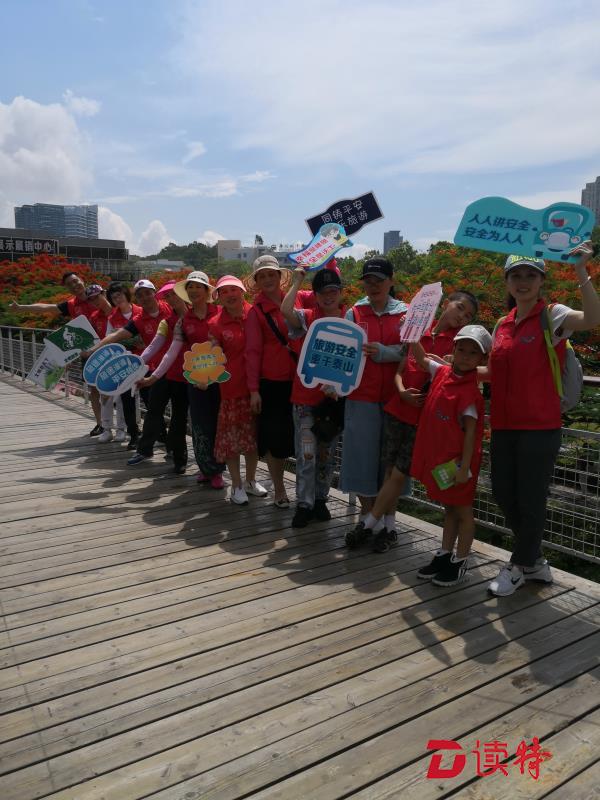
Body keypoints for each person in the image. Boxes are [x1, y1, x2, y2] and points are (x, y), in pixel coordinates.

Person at [485, 246, 600, 596]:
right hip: (504, 425)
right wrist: (450, 369)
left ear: (541, 281)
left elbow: (593, 318)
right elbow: (495, 372)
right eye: (516, 276)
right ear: (506, 281)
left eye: (530, 275)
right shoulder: (502, 324)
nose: (522, 282)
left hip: (540, 426)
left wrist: (581, 271)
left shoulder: (552, 315)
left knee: (532, 498)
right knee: (503, 493)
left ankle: (519, 565)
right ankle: (535, 561)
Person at [345, 290, 478, 551]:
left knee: (397, 473)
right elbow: (401, 370)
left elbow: (453, 381)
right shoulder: (420, 329)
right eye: (460, 308)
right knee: (389, 470)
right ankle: (388, 527)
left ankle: (369, 524)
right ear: (446, 303)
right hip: (398, 409)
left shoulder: (459, 346)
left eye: (468, 315)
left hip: (423, 420)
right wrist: (401, 390)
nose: (462, 316)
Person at [409, 325, 491, 586]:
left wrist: (463, 468)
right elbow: (422, 359)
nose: (465, 356)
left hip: (458, 464)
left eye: (473, 353)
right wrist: (412, 335)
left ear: (482, 360)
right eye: (461, 349)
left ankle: (461, 560)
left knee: (463, 511)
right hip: (443, 460)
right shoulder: (443, 371)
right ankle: (445, 553)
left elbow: (470, 435)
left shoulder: (470, 393)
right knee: (450, 508)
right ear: (453, 350)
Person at [136, 271, 227, 488]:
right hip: (195, 381)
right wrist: (153, 377)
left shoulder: (221, 314)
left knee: (218, 425)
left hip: (221, 380)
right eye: (190, 287)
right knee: (198, 425)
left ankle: (218, 471)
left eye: (198, 287)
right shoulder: (183, 321)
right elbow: (171, 352)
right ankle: (206, 469)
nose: (194, 291)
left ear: (207, 291)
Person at [339, 256, 408, 516]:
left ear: (391, 281)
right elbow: (342, 353)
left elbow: (413, 353)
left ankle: (386, 522)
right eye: (368, 281)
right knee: (362, 461)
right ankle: (368, 519)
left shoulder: (406, 312)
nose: (374, 285)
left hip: (396, 399)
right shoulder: (354, 313)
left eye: (379, 280)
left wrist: (384, 353)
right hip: (360, 397)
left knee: (391, 464)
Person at [281, 266, 346, 527]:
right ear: (315, 295)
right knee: (307, 454)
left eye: (333, 290)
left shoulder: (350, 320)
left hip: (333, 403)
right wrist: (297, 280)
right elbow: (286, 311)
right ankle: (304, 503)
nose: (328, 296)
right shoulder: (308, 316)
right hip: (305, 401)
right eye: (323, 292)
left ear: (340, 293)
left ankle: (321, 499)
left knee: (327, 454)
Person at [84, 278, 173, 449]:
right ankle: (141, 436)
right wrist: (93, 350)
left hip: (173, 366)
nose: (145, 297)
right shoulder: (136, 319)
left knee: (172, 406)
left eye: (148, 293)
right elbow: (114, 338)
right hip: (140, 365)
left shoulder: (169, 309)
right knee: (146, 404)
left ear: (155, 293)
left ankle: (168, 441)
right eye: (140, 295)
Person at [9, 271, 103, 434]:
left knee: (115, 387)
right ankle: (101, 423)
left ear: (82, 280)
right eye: (70, 284)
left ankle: (124, 426)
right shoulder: (72, 305)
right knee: (95, 389)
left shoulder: (98, 294)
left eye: (76, 281)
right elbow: (48, 307)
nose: (75, 285)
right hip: (88, 352)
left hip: (108, 346)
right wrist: (21, 308)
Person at [208, 275, 268, 504]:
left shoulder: (255, 314)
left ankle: (251, 481)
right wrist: (204, 377)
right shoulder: (215, 324)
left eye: (234, 290)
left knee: (252, 439)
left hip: (258, 388)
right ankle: (236, 485)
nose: (230, 295)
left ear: (242, 292)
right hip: (231, 391)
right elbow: (211, 359)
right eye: (224, 292)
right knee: (232, 441)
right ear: (219, 297)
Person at [245, 254, 296, 508]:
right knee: (275, 440)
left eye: (271, 274)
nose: (267, 279)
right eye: (261, 275)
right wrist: (254, 390)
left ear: (280, 276)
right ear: (256, 281)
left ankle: (311, 495)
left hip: (300, 380)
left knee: (300, 437)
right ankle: (279, 489)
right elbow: (252, 352)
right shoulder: (256, 312)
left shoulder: (297, 299)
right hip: (272, 383)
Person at [130, 281, 190, 475]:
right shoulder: (168, 322)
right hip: (164, 373)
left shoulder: (197, 316)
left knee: (180, 418)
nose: (171, 298)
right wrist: (135, 364)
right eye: (168, 295)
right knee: (154, 410)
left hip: (190, 376)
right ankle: (145, 450)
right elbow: (155, 347)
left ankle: (180, 457)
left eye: (174, 293)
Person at [103, 282, 141, 448]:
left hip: (145, 360)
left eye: (119, 295)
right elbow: (110, 342)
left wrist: (124, 339)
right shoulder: (112, 318)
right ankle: (133, 433)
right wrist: (133, 341)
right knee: (127, 399)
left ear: (126, 293)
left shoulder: (141, 312)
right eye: (113, 297)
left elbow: (147, 338)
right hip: (124, 363)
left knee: (150, 398)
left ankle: (158, 434)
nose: (117, 299)